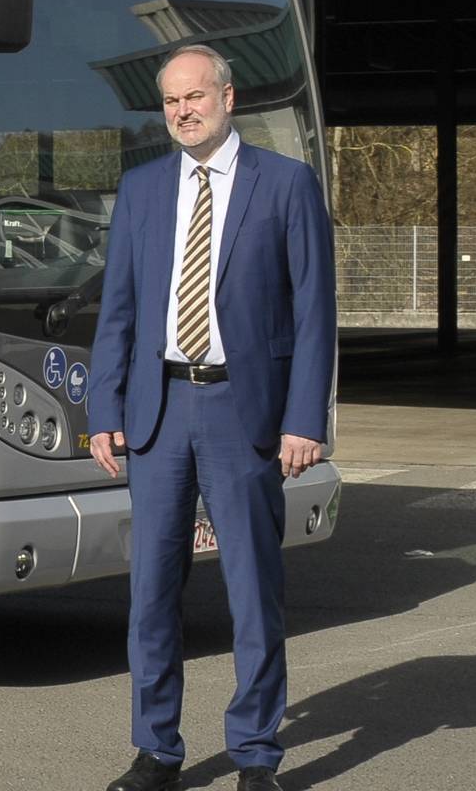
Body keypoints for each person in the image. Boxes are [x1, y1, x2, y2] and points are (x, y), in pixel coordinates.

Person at [87, 45, 334, 791]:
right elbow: (118, 309)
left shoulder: (285, 184)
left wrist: (304, 419)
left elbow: (314, 312)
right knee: (151, 594)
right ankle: (156, 751)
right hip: (158, 411)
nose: (182, 111)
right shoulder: (142, 189)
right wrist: (104, 408)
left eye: (194, 96)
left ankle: (255, 753)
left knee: (252, 591)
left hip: (242, 410)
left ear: (229, 97)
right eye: (170, 101)